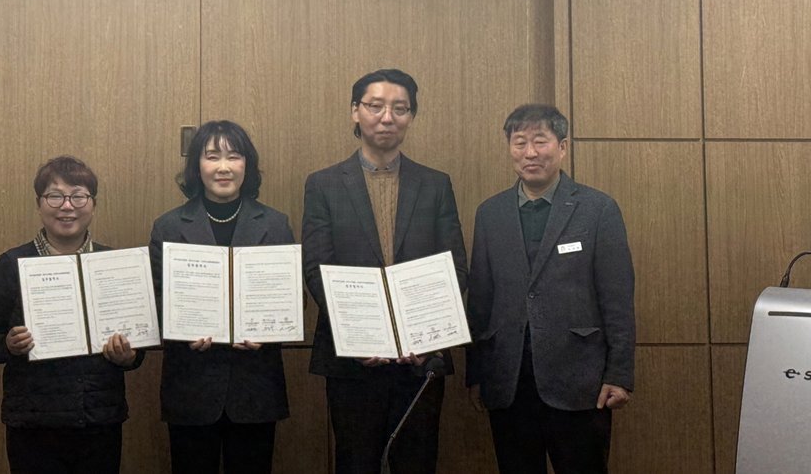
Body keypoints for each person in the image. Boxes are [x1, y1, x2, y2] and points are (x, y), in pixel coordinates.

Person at [302, 68, 468, 474]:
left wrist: (425, 336)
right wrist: (359, 336)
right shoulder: (323, 184)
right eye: (375, 106)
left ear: (412, 116)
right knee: (355, 462)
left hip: (421, 359)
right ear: (354, 111)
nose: (387, 117)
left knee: (418, 462)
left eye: (400, 108)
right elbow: (316, 268)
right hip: (352, 359)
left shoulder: (435, 184)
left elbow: (454, 267)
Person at [466, 104, 635, 474]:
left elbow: (618, 299)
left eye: (540, 141)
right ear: (510, 148)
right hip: (509, 381)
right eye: (520, 142)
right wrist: (476, 374)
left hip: (580, 380)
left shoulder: (597, 209)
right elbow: (480, 301)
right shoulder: (490, 213)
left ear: (562, 147)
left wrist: (619, 374)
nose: (530, 152)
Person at [0, 155, 142, 474]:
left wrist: (128, 356)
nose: (67, 206)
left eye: (78, 196)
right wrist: (7, 345)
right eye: (55, 196)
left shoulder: (115, 265)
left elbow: (137, 346)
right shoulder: (11, 264)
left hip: (99, 419)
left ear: (93, 204)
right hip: (33, 423)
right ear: (39, 203)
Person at [148, 120, 294, 474]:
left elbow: (292, 301)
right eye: (212, 156)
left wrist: (268, 332)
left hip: (255, 387)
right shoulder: (168, 226)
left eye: (234, 156)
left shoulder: (275, 225)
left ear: (248, 164)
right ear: (197, 166)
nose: (224, 167)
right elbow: (154, 301)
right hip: (192, 387)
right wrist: (182, 331)